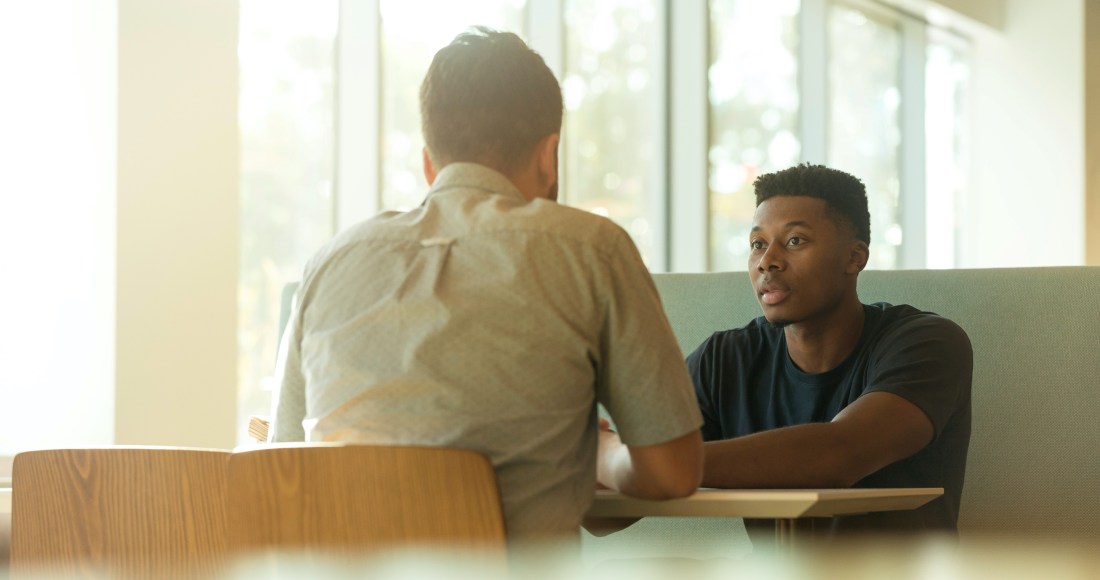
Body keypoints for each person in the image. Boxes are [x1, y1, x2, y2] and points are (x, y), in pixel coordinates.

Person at [268, 27, 703, 544]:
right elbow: (672, 473)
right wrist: (602, 454)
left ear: (430, 163)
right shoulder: (592, 249)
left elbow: (281, 467)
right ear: (550, 155)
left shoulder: (329, 263)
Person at [687, 163, 972, 536]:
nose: (766, 261)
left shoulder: (928, 343)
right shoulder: (724, 359)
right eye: (758, 244)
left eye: (794, 241)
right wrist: (608, 460)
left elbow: (837, 455)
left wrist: (650, 463)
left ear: (854, 258)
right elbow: (606, 516)